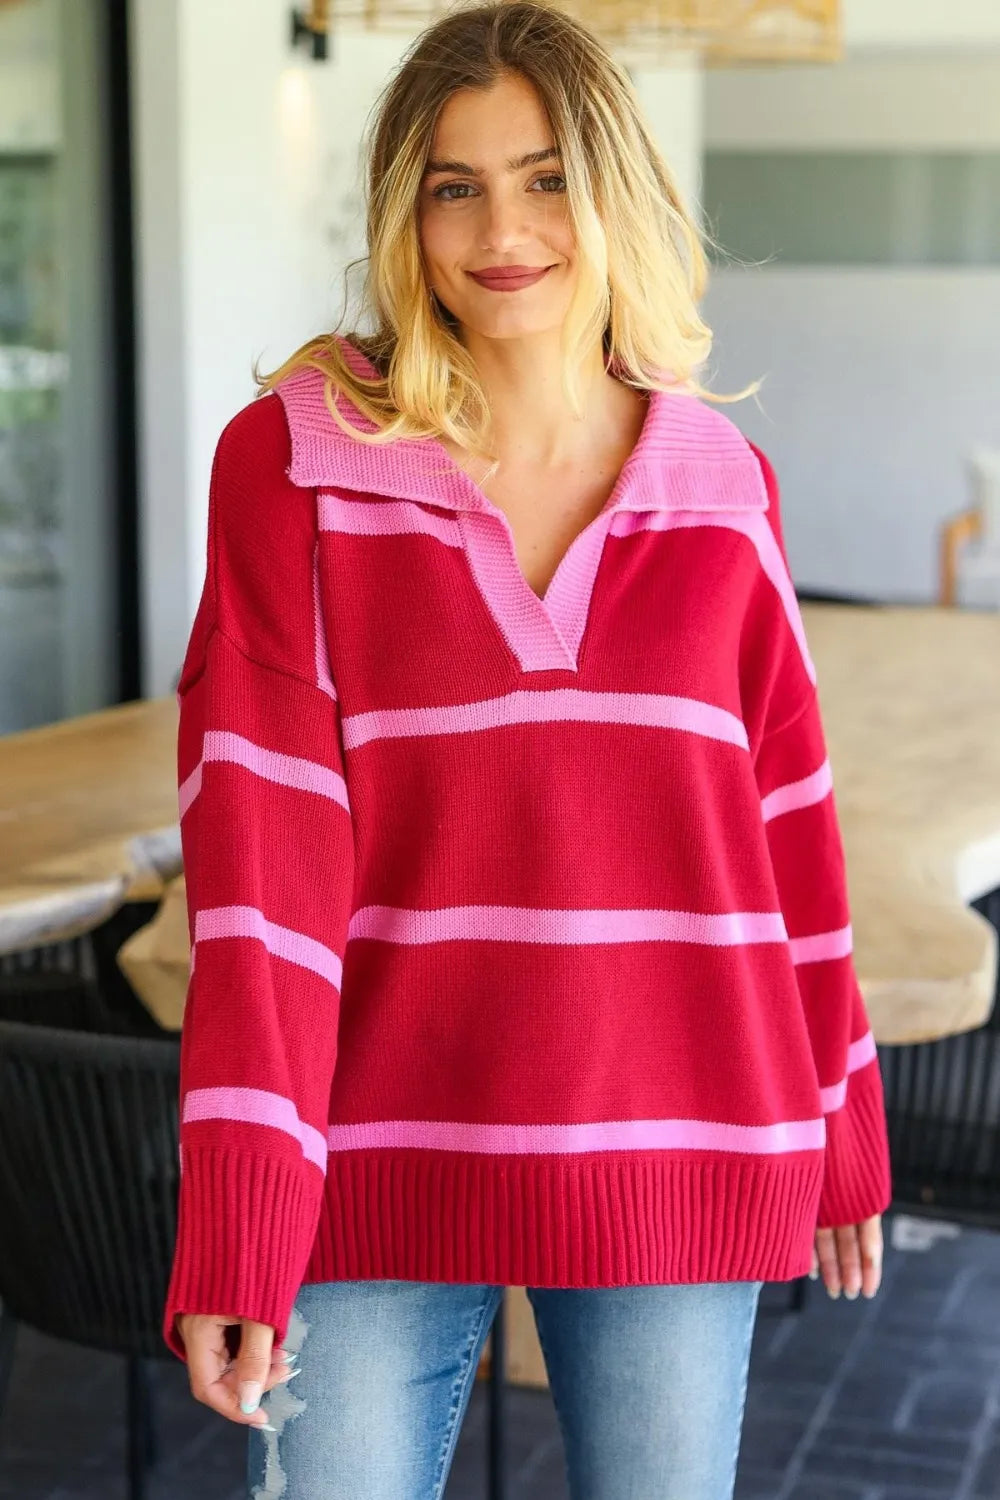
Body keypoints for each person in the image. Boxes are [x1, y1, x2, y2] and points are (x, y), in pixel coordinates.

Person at [161, 3, 892, 1496]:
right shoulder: (296, 462)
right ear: (405, 213)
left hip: (687, 1128)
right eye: (458, 185)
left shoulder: (724, 483)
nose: (503, 230)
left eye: (548, 177)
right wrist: (240, 1204)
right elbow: (261, 869)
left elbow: (788, 828)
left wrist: (844, 1119)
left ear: (616, 191)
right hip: (370, 1148)